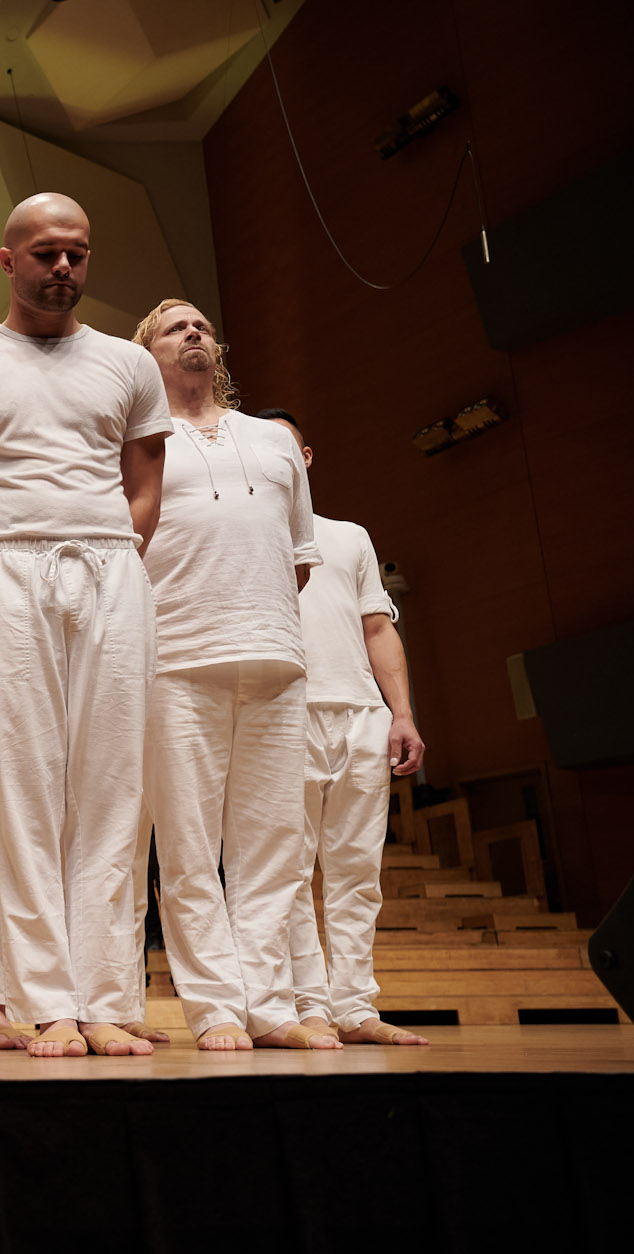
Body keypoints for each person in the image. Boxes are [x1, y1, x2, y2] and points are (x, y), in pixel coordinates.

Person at [0, 193, 171, 1057]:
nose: (65, 268)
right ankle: (47, 1002)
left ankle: (104, 999)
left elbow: (145, 488)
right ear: (8, 259)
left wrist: (117, 553)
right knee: (20, 784)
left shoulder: (130, 367)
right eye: (48, 253)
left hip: (108, 564)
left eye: (79, 254)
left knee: (109, 787)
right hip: (2, 566)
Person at [133, 298, 326, 1050]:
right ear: (146, 353)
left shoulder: (273, 439)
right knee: (187, 845)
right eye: (176, 326)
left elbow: (298, 559)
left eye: (204, 324)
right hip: (176, 657)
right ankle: (214, 1005)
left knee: (273, 842)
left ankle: (271, 1005)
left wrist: (256, 617)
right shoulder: (137, 438)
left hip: (276, 657)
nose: (194, 332)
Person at [260, 407, 430, 1046]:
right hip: (281, 714)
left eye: (286, 448)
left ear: (304, 459)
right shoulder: (246, 535)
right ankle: (308, 1006)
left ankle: (355, 1007)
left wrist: (403, 713)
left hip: (360, 714)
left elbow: (377, 627)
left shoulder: (349, 536)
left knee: (358, 870)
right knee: (288, 870)